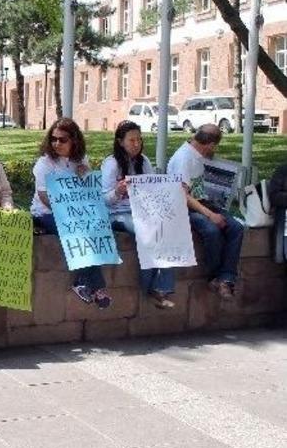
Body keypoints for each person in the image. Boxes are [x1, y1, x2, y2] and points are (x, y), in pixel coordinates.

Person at [31, 118, 112, 309]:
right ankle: (96, 287)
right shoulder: (45, 164)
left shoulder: (81, 160)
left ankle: (84, 282)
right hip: (46, 213)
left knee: (96, 229)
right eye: (53, 139)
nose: (56, 143)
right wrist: (67, 213)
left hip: (77, 212)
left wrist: (87, 176)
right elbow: (43, 197)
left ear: (74, 140)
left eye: (62, 139)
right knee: (77, 231)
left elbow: (90, 192)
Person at [102, 121, 176, 309]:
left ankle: (161, 287)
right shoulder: (111, 164)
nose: (136, 144)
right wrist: (118, 192)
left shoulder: (144, 161)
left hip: (142, 211)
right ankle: (151, 289)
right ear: (120, 142)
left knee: (168, 231)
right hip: (117, 213)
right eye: (131, 140)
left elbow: (152, 190)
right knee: (148, 233)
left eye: (139, 140)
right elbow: (103, 200)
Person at [167, 124, 244, 300]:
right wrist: (210, 215)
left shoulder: (198, 155)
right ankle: (215, 277)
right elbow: (183, 196)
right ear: (210, 144)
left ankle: (227, 277)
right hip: (183, 208)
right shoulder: (184, 159)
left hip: (203, 202)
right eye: (215, 146)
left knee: (236, 228)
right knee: (212, 230)